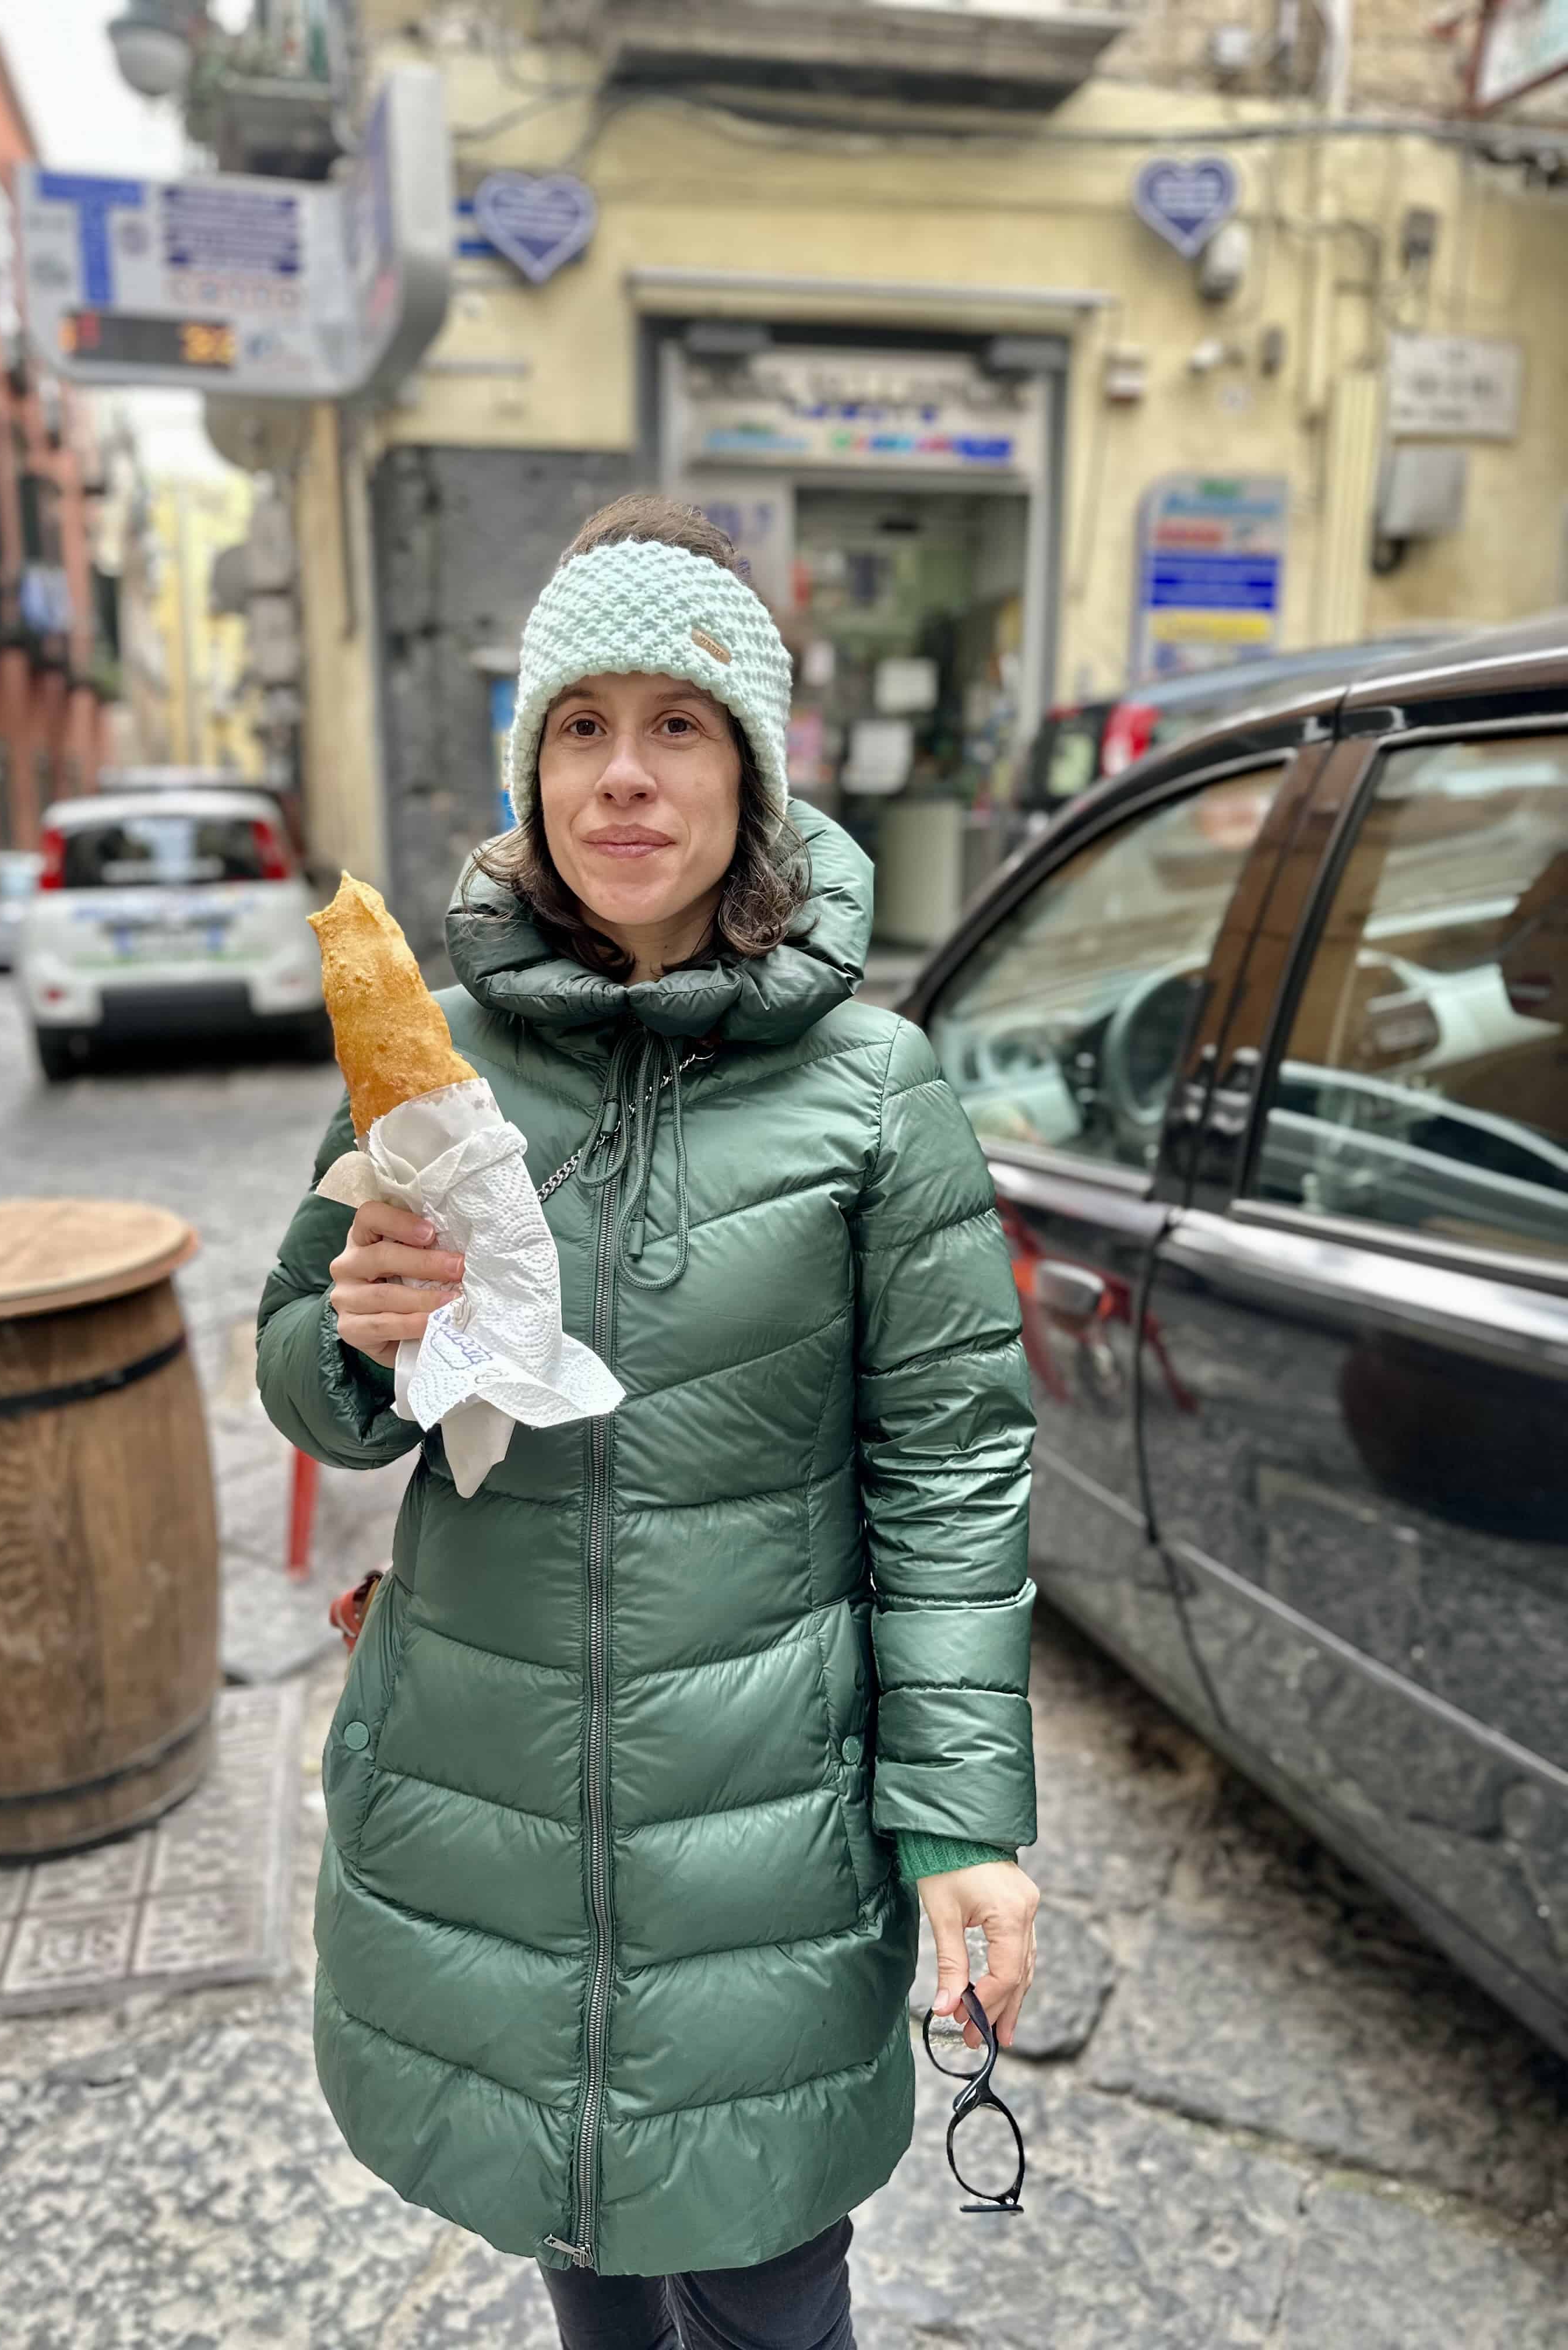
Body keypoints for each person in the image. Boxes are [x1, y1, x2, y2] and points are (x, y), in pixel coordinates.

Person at [257, 494, 1040, 2350]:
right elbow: (305, 1373)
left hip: (762, 1831)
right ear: (531, 773)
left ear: (750, 772)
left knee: (769, 2284)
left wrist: (963, 1820)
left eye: (678, 725)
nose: (625, 773)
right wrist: (358, 1338)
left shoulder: (874, 1090)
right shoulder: (432, 1062)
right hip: (482, 1796)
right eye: (581, 727)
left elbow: (951, 1469)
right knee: (583, 2267)